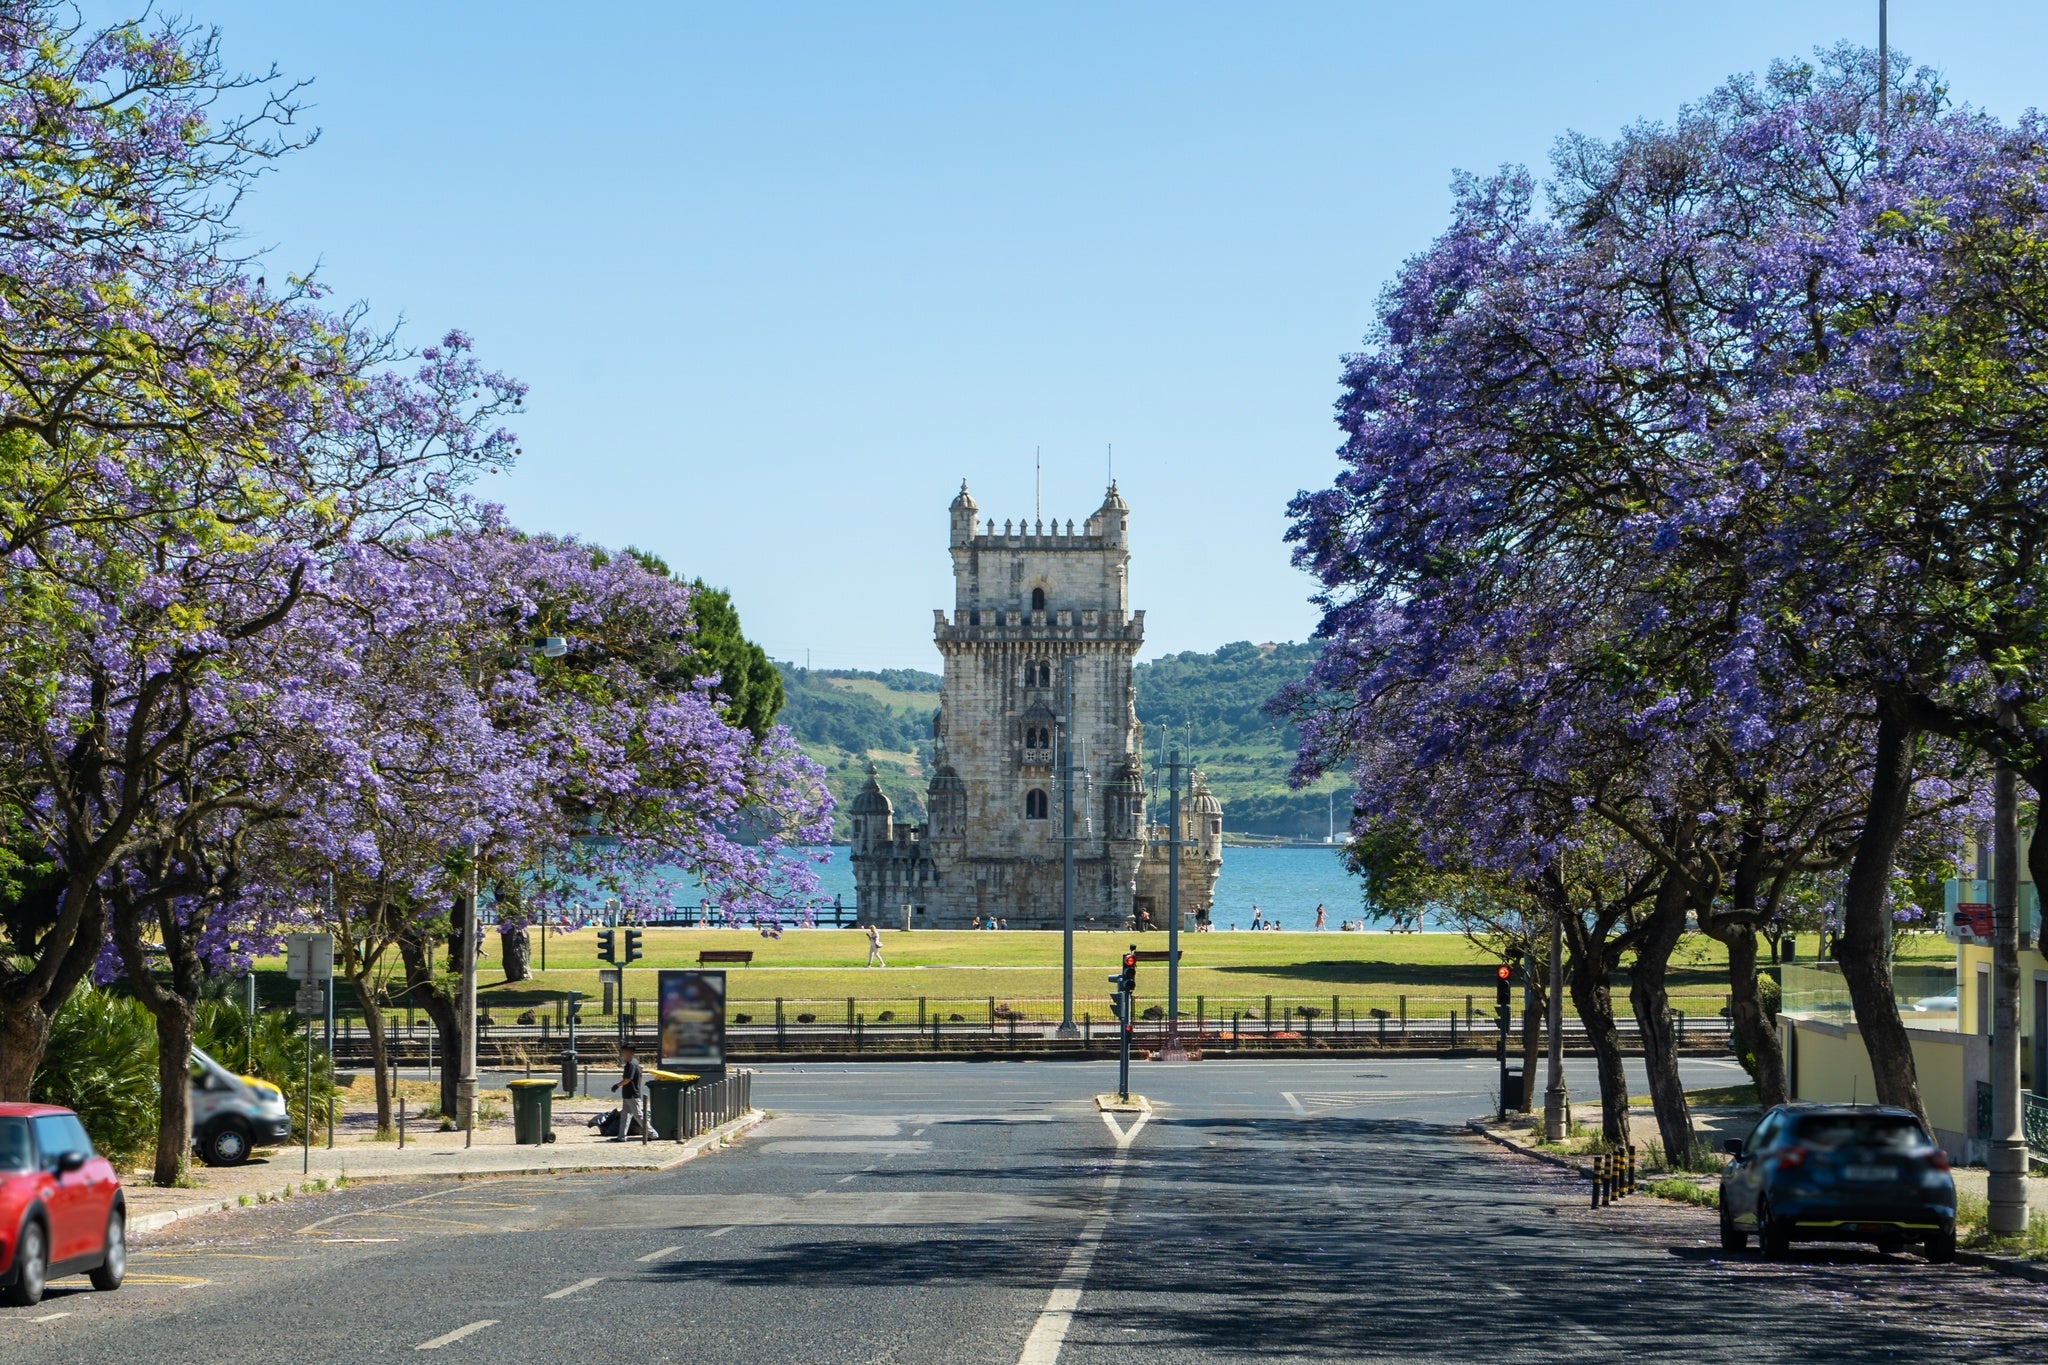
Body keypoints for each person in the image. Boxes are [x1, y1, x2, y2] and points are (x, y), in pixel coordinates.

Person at [610, 1043, 644, 1140]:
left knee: (638, 1116)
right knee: (625, 1116)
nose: (622, 1054)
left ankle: (652, 1134)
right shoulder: (632, 1063)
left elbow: (628, 1079)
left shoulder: (631, 1064)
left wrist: (617, 1085)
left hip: (632, 1094)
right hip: (628, 1094)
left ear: (629, 1052)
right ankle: (621, 1136)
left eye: (623, 1052)